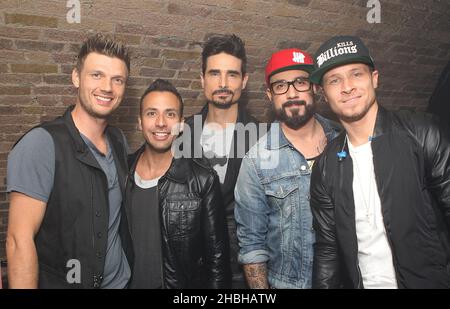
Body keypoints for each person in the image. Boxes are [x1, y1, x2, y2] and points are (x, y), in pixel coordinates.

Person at [309, 35, 450, 289]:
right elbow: (327, 249)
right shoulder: (325, 167)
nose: (347, 86)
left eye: (356, 74)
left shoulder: (424, 134)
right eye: (334, 80)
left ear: (374, 78)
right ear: (323, 94)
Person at [6, 34, 133, 288]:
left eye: (117, 79)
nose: (107, 87)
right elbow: (19, 241)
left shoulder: (119, 141)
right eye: (96, 75)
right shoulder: (41, 144)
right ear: (76, 77)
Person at [234, 49, 340, 289]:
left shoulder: (344, 141)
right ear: (269, 94)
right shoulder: (256, 161)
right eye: (280, 86)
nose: (292, 93)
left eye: (300, 82)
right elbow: (252, 245)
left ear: (315, 87)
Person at [125, 79, 230, 289]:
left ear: (181, 123)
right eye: (151, 113)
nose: (161, 123)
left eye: (170, 114)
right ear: (140, 121)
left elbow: (217, 261)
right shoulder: (122, 170)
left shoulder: (203, 179)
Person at [181, 34, 261, 288]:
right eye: (215, 73)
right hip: (191, 265)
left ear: (244, 81)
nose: (223, 83)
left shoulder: (263, 136)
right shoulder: (183, 133)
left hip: (242, 267)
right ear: (202, 79)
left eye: (232, 74)